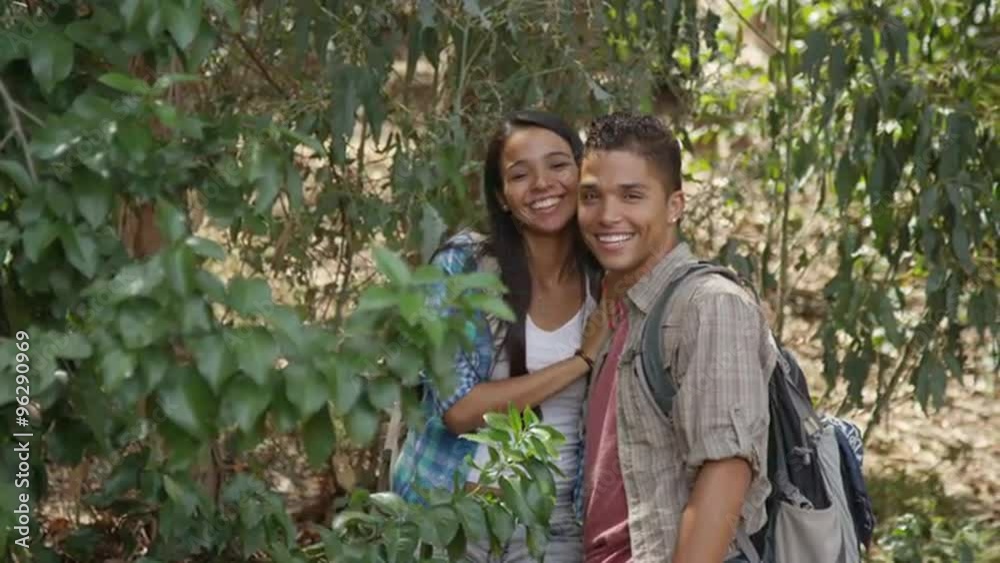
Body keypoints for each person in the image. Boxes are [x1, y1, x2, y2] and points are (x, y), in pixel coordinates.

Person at [392, 110, 609, 562]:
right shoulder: (464, 267)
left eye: (558, 165)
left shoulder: (607, 280)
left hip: (554, 526)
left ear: (582, 173)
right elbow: (460, 410)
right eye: (520, 174)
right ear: (502, 196)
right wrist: (579, 362)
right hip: (453, 516)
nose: (543, 184)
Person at [576, 113, 774, 563]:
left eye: (632, 196)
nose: (608, 215)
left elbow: (724, 471)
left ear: (674, 206)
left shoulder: (709, 305)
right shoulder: (618, 308)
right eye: (591, 196)